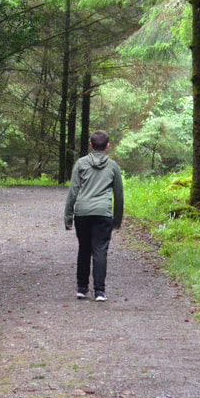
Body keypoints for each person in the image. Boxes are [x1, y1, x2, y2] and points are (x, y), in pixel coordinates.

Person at [64, 129, 123, 302]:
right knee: (100, 251)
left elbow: (73, 191)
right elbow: (119, 195)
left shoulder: (81, 164)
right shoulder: (113, 166)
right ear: (107, 146)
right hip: (103, 213)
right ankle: (99, 291)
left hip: (82, 212)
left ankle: (82, 288)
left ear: (91, 145)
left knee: (84, 249)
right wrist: (116, 221)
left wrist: (68, 217)